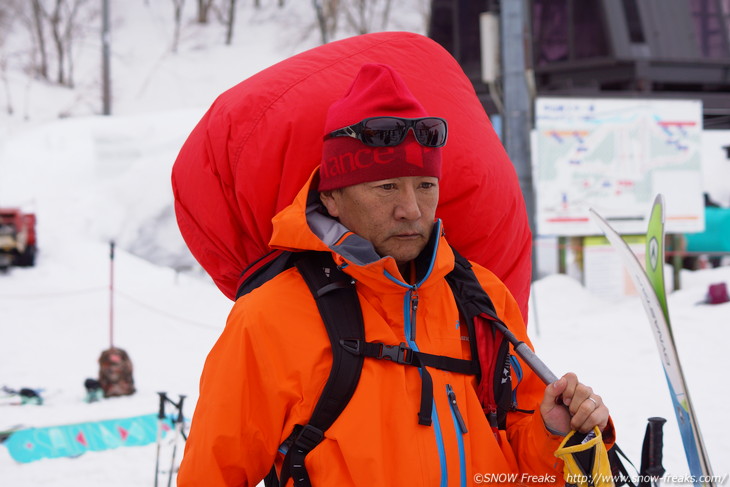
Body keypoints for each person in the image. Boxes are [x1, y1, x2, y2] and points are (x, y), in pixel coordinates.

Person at [177, 63, 613, 487]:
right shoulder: (269, 317)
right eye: (386, 187)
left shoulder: (482, 298)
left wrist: (551, 432)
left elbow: (519, 467)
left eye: (425, 185)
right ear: (332, 197)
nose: (411, 209)